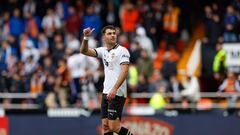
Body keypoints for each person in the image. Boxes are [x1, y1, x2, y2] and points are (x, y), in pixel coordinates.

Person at [80, 25, 133, 135]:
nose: (113, 35)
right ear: (104, 37)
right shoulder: (103, 51)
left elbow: (125, 71)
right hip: (106, 92)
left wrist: (114, 89)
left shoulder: (122, 51)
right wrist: (86, 38)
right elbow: (84, 51)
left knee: (114, 126)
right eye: (109, 33)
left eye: (114, 33)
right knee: (105, 126)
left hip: (117, 92)